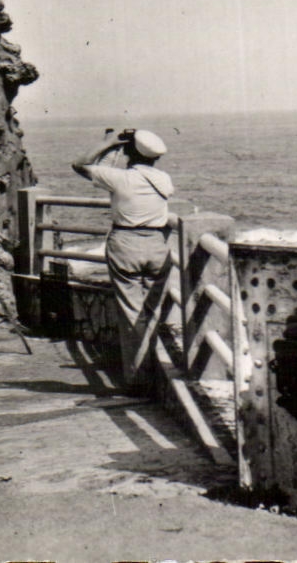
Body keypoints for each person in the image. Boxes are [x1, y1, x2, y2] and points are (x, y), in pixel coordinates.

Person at [72, 128, 174, 394]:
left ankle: (139, 381)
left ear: (130, 152)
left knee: (132, 313)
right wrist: (122, 150)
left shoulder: (121, 179)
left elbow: (81, 165)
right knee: (152, 311)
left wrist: (107, 144)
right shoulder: (164, 179)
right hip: (157, 245)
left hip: (127, 244)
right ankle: (158, 373)